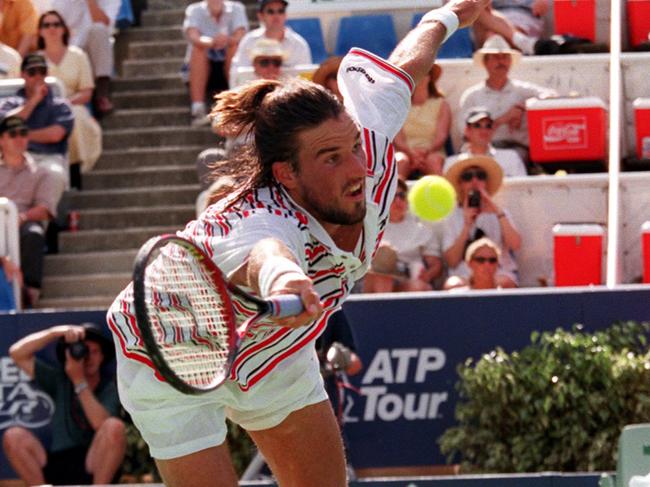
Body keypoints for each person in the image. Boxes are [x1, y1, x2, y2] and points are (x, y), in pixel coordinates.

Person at [106, 1, 488, 486]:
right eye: (330, 158)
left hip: (271, 347)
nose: (355, 168)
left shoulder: (365, 140)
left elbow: (406, 65)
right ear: (287, 174)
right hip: (171, 344)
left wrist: (450, 15)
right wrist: (288, 280)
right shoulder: (262, 218)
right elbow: (264, 256)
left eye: (350, 147)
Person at [2, 322, 126, 485]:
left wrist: (79, 380)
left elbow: (101, 424)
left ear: (103, 356)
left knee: (114, 426)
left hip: (95, 464)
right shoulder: (60, 380)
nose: (88, 357)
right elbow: (17, 353)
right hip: (58, 463)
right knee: (13, 436)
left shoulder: (108, 387)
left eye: (94, 351)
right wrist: (55, 332)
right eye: (83, 351)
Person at [459, 34, 555, 165]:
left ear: (510, 62)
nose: (501, 62)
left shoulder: (521, 90)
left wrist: (522, 107)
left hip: (517, 149)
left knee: (513, 160)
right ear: (485, 62)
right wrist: (504, 118)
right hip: (482, 150)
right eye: (496, 57)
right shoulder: (472, 96)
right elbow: (464, 132)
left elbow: (551, 96)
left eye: (505, 57)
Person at [0, 114, 62, 307]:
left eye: (24, 133)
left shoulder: (42, 172)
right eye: (13, 134)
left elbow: (45, 209)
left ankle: (30, 293)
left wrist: (22, 217)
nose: (19, 138)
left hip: (23, 224)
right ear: (1, 139)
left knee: (34, 233)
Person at [37, 10, 102, 189]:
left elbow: (87, 92)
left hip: (73, 105)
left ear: (64, 29)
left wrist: (65, 104)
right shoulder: (35, 60)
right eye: (46, 25)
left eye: (56, 24)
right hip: (43, 109)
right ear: (40, 31)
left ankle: (75, 171)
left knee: (74, 116)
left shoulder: (78, 56)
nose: (52, 28)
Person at [441, 153, 521, 290]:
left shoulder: (500, 213)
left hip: (498, 271)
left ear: (486, 182)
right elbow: (452, 261)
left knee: (505, 283)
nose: (474, 181)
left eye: (480, 176)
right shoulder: (452, 216)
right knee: (452, 286)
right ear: (460, 184)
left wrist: (497, 212)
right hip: (465, 275)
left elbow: (515, 244)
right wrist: (466, 226)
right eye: (467, 177)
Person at [0, 52, 74, 193]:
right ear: (22, 74)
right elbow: (5, 125)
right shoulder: (10, 104)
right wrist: (33, 101)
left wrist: (17, 135)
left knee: (55, 174)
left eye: (42, 71)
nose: (38, 76)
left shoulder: (60, 105)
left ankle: (41, 214)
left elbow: (55, 134)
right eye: (32, 72)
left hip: (46, 159)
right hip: (10, 161)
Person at [363, 178, 442, 293]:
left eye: (401, 195)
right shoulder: (369, 228)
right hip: (375, 280)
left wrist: (427, 276)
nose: (398, 201)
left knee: (419, 287)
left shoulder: (421, 230)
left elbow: (435, 264)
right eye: (392, 196)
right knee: (383, 272)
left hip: (407, 280)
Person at [183, 0, 249, 126]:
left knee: (233, 47)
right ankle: (197, 109)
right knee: (198, 49)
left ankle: (237, 107)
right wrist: (211, 43)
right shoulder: (194, 10)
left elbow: (240, 34)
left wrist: (226, 41)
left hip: (229, 67)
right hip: (202, 68)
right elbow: (193, 36)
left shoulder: (237, 8)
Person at [50, 0, 121, 115]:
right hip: (65, 49)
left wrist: (91, 2)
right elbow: (54, 24)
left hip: (93, 55)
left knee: (99, 29)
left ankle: (102, 95)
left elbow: (104, 24)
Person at [229, 0, 311, 82]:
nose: (276, 15)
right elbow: (237, 74)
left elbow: (305, 78)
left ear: (285, 15)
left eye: (281, 11)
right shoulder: (249, 40)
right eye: (270, 11)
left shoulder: (299, 44)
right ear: (260, 16)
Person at [394, 63, 451, 179]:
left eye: (423, 73)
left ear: (430, 77)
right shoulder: (399, 105)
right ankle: (395, 195)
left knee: (433, 161)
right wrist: (411, 154)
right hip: (406, 153)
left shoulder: (441, 104)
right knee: (400, 160)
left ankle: (442, 196)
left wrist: (426, 153)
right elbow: (398, 138)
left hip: (433, 152)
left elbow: (441, 136)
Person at [444, 106, 527, 177]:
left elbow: (524, 189)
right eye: (477, 126)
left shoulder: (511, 158)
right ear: (467, 131)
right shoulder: (452, 164)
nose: (483, 130)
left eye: (488, 126)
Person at [471, 0, 549, 55]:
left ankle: (521, 41)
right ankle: (522, 42)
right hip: (492, 16)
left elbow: (541, 8)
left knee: (493, 36)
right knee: (474, 7)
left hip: (524, 17)